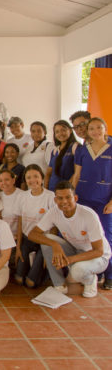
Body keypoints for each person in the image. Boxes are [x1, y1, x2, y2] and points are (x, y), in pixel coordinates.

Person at [28, 181, 111, 298]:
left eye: (68, 197)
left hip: (99, 257)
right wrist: (54, 245)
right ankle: (59, 284)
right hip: (77, 250)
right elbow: (32, 234)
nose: (64, 202)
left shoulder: (88, 215)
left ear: (75, 198)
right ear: (55, 200)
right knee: (47, 240)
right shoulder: (54, 212)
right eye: (60, 198)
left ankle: (90, 279)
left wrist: (69, 260)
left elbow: (98, 251)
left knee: (76, 271)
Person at [72, 117, 112, 288]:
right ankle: (95, 272)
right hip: (83, 198)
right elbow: (77, 175)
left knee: (107, 236)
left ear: (105, 129)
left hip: (103, 201)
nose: (95, 131)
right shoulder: (82, 150)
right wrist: (71, 194)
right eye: (92, 129)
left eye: (99, 128)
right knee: (87, 236)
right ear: (87, 132)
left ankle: (110, 274)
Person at [14, 164, 54, 287]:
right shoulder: (22, 196)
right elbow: (20, 222)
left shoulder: (50, 196)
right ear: (25, 181)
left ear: (42, 178)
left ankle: (46, 273)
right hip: (27, 238)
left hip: (44, 240)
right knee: (19, 280)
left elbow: (54, 224)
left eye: (36, 176)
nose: (32, 180)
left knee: (31, 283)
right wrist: (18, 247)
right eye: (28, 177)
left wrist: (50, 249)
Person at [45, 120, 78, 191]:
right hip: (52, 190)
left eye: (63, 130)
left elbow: (77, 172)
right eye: (57, 132)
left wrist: (68, 188)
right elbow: (48, 173)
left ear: (70, 130)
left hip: (65, 191)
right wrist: (45, 191)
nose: (60, 133)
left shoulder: (75, 147)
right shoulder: (55, 150)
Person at [0, 169, 23, 240]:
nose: (3, 183)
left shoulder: (22, 195)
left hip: (19, 237)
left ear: (13, 180)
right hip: (2, 237)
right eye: (0, 181)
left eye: (6, 179)